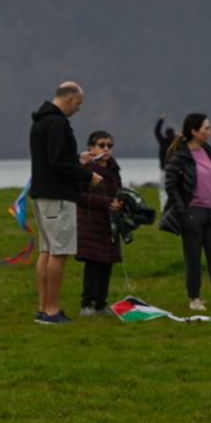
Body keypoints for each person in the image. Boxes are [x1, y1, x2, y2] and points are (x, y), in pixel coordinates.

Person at [30, 81, 102, 324]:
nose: (78, 109)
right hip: (57, 197)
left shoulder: (41, 120)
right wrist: (87, 175)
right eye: (79, 104)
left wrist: (77, 158)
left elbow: (56, 156)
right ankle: (52, 311)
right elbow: (58, 163)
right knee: (59, 252)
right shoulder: (58, 123)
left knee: (46, 250)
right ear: (69, 99)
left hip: (42, 195)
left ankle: (43, 308)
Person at [160, 113, 211, 313]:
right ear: (194, 131)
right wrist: (183, 210)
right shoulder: (180, 155)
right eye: (206, 128)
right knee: (193, 257)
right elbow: (170, 185)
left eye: (209, 127)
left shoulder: (210, 152)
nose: (209, 132)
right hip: (193, 213)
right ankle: (194, 298)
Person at [74, 129, 123, 316]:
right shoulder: (85, 169)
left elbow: (119, 191)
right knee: (93, 264)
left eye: (110, 145)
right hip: (90, 222)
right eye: (101, 145)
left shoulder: (114, 168)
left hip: (110, 223)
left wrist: (121, 203)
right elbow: (79, 196)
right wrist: (106, 203)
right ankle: (86, 304)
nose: (106, 149)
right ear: (90, 148)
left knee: (107, 263)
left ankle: (101, 304)